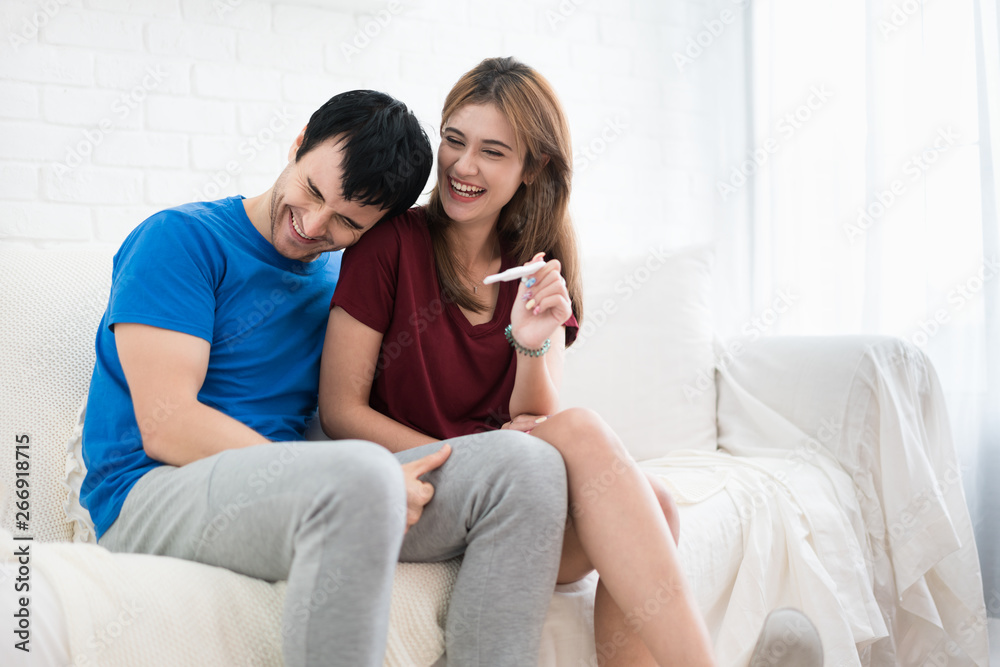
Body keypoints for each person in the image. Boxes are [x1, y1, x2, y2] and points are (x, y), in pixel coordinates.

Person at [321, 57, 826, 667]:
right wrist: (481, 460)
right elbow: (339, 409)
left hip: (512, 500)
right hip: (416, 488)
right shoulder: (390, 243)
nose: (463, 166)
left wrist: (531, 341)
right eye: (454, 141)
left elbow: (536, 420)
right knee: (583, 430)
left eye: (493, 151)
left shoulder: (536, 264)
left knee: (658, 504)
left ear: (533, 167)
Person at [79, 89, 570, 667]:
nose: (312, 225)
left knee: (529, 468)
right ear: (300, 142)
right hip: (152, 490)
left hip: (299, 494)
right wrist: (340, 475)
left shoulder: (344, 278)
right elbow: (168, 425)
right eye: (314, 190)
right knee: (359, 475)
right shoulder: (181, 241)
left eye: (346, 222)